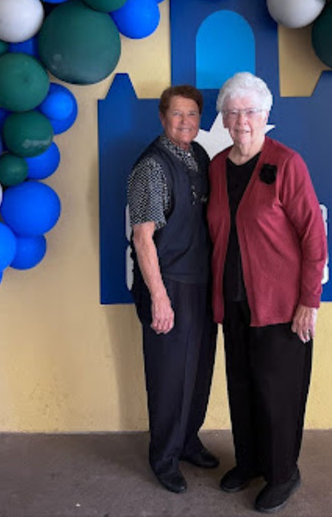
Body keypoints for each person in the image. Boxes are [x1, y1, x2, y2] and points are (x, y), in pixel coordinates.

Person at [207, 72, 328, 514]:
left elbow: (314, 238)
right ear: (222, 118)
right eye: (233, 112)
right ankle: (250, 462)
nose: (242, 121)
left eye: (251, 112)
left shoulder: (287, 163)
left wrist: (308, 302)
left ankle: (282, 473)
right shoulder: (217, 167)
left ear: (266, 115)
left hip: (280, 307)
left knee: (278, 394)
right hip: (234, 301)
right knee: (241, 387)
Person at [127, 84, 218, 494]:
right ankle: (164, 456)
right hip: (169, 286)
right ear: (163, 118)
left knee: (198, 371)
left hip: (201, 282)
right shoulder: (151, 166)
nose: (186, 121)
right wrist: (159, 297)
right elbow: (143, 238)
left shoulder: (199, 157)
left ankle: (188, 440)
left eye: (193, 115)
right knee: (168, 377)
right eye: (178, 114)